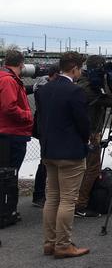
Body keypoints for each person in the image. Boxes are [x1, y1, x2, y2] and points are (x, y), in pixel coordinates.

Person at [36, 51, 90, 259]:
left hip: (49, 150)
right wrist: (86, 140)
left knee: (52, 198)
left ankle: (49, 242)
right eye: (80, 69)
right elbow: (82, 123)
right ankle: (63, 244)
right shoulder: (75, 92)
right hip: (70, 152)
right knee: (68, 199)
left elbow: (40, 120)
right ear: (75, 68)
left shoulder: (44, 90)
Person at [75, 55, 112, 217]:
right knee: (92, 168)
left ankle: (79, 200)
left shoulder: (89, 82)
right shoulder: (86, 86)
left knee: (87, 168)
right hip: (89, 133)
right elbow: (111, 101)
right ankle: (80, 204)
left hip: (89, 131)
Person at [0, 49, 34, 221]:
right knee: (10, 174)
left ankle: (7, 209)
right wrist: (28, 116)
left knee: (6, 173)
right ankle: (7, 212)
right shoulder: (9, 81)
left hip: (6, 133)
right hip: (12, 133)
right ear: (21, 64)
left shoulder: (6, 78)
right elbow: (9, 107)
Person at [31, 64, 59, 208]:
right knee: (45, 162)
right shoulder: (43, 88)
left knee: (46, 161)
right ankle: (39, 195)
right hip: (45, 128)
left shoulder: (41, 85)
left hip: (44, 127)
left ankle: (42, 194)